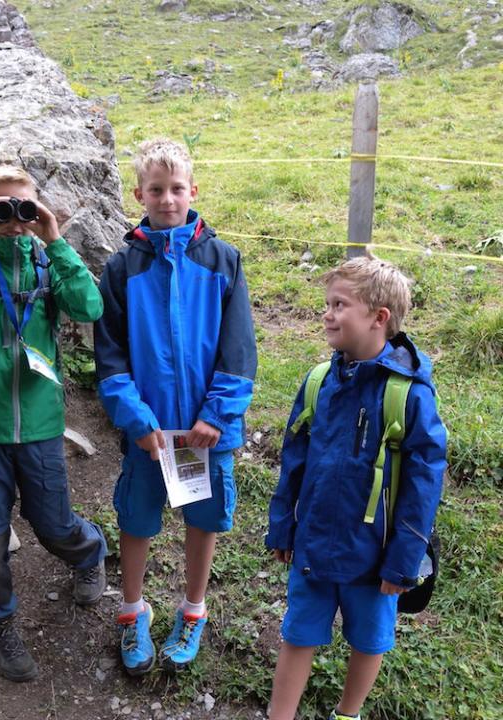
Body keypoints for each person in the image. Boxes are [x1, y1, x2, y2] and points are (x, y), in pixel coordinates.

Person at [0, 165, 108, 682]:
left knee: (53, 522)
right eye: (0, 209)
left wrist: (55, 241)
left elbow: (89, 306)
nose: (14, 219)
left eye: (23, 208)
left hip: (37, 420)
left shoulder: (46, 261)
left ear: (38, 209)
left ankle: (88, 553)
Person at [94, 138, 257, 675]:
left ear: (194, 190)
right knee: (137, 519)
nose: (167, 199)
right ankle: (131, 611)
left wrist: (215, 415)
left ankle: (193, 610)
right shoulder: (121, 269)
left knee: (202, 518)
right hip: (151, 435)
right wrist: (138, 422)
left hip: (206, 435)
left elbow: (238, 348)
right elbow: (111, 355)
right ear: (138, 193)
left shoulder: (224, 260)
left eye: (177, 189)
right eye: (156, 190)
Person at [265, 257, 447, 720]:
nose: (327, 313)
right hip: (313, 544)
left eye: (339, 304)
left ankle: (348, 714)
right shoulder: (318, 383)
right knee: (298, 631)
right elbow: (294, 461)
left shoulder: (408, 394)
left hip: (375, 556)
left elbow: (423, 486)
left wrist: (404, 560)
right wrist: (283, 526)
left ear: (378, 317)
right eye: (327, 303)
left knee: (369, 638)